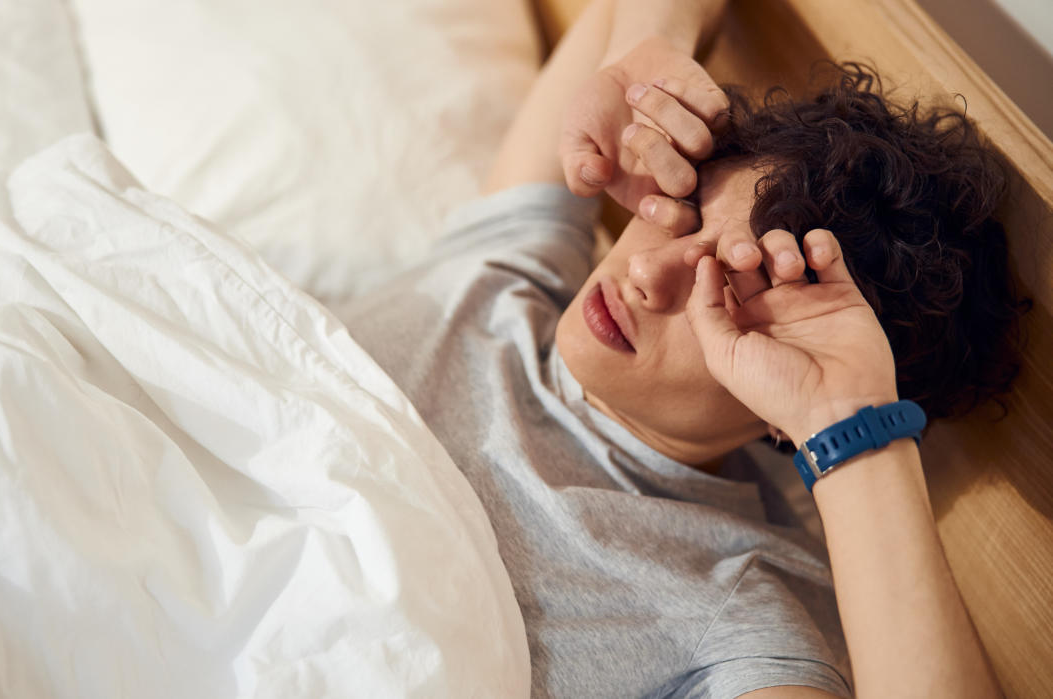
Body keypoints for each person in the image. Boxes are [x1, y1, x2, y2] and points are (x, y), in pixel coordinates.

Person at [339, 0, 1025, 695]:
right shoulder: (511, 272)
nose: (643, 274)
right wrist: (643, 56)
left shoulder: (728, 612)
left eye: (723, 290)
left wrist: (851, 420)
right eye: (685, 216)